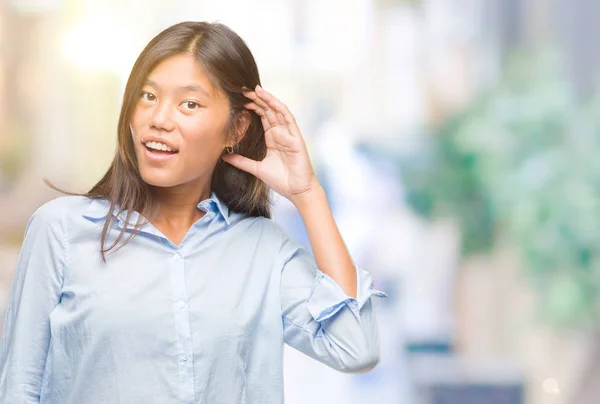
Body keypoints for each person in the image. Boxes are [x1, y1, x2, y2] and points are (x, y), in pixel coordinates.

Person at [0, 21, 386, 404]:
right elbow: (19, 387)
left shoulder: (264, 251)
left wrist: (307, 193)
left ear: (236, 128)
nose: (159, 119)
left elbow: (355, 347)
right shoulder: (62, 231)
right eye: (148, 96)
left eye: (189, 104)